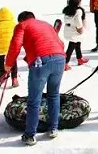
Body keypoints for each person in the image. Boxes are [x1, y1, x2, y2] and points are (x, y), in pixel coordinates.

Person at [4, 11, 65, 145]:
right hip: (59, 58)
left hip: (40, 61)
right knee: (54, 95)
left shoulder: (22, 26)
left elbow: (15, 45)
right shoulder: (46, 24)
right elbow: (59, 43)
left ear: (21, 20)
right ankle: (53, 128)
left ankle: (30, 134)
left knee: (34, 100)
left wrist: (8, 65)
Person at [0, 7, 19, 87]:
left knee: (0, 62)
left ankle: (2, 76)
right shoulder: (13, 24)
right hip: (12, 47)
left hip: (0, 48)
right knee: (13, 62)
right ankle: (14, 79)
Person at [63, 0, 88, 70]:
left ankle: (79, 58)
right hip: (75, 30)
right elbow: (78, 21)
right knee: (71, 47)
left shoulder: (68, 10)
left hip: (69, 30)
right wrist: (80, 28)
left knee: (77, 43)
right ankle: (65, 63)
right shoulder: (78, 11)